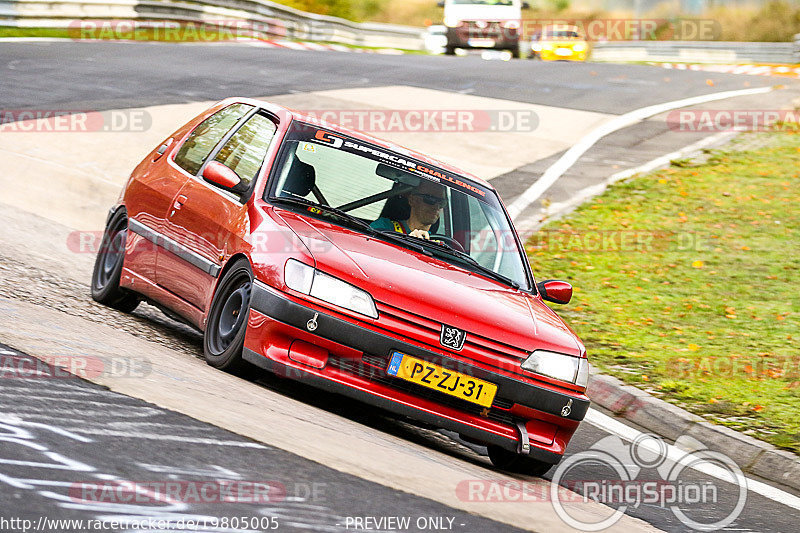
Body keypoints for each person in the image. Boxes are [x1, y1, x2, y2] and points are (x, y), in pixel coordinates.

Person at [370, 181, 447, 240]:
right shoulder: (383, 227)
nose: (437, 206)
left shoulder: (438, 244)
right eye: (430, 199)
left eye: (441, 202)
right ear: (412, 200)